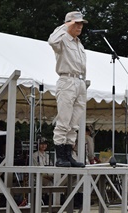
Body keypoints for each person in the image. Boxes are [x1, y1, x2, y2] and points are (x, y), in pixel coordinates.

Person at [48, 11, 88, 167]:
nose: (79, 26)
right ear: (68, 23)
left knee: (74, 122)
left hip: (79, 82)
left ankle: (69, 154)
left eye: (81, 24)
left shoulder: (79, 43)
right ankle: (60, 157)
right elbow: (51, 41)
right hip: (67, 80)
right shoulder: (62, 39)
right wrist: (65, 26)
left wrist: (83, 83)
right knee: (64, 119)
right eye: (76, 23)